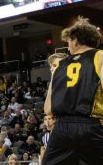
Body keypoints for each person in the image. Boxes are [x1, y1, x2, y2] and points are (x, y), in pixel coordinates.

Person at [42, 17, 103, 165]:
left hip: (62, 129)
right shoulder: (100, 56)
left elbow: (48, 109)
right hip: (92, 126)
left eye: (68, 42)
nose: (68, 47)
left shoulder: (59, 65)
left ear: (75, 40)